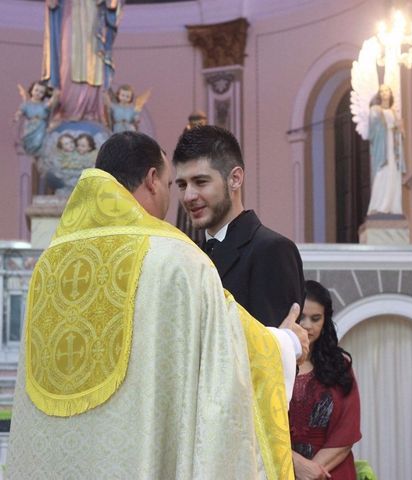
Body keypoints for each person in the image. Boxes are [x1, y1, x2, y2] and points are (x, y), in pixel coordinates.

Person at [7, 131, 300, 479]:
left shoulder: (49, 265)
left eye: (200, 182)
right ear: (151, 181)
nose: (186, 196)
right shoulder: (173, 258)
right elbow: (225, 353)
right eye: (174, 183)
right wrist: (286, 343)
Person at [173, 125, 305, 328]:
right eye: (182, 185)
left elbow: (274, 351)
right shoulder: (192, 256)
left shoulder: (272, 250)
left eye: (200, 182)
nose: (188, 196)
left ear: (235, 179)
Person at [289, 280, 361, 480]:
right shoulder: (272, 362)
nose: (307, 325)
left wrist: (312, 471)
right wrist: (296, 467)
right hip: (281, 469)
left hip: (332, 472)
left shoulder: (340, 366)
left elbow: (347, 430)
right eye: (301, 317)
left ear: (325, 321)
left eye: (315, 318)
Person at [43, 0, 122, 122]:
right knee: (67, 62)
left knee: (94, 60)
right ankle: (68, 110)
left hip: (94, 15)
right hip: (70, 12)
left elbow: (112, 4)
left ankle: (92, 110)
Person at [366, 84, 405, 216]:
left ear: (390, 93)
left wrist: (400, 129)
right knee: (382, 175)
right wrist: (392, 126)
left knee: (393, 175)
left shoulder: (394, 112)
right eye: (382, 91)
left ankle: (393, 206)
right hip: (383, 150)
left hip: (394, 150)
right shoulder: (375, 110)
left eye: (387, 90)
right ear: (379, 95)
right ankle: (379, 205)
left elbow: (401, 132)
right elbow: (373, 131)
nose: (384, 93)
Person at [14, 80, 59, 157]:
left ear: (44, 94)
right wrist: (17, 115)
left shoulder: (44, 105)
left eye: (41, 92)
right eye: (36, 90)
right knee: (27, 141)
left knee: (38, 141)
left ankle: (37, 154)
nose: (38, 93)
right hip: (29, 127)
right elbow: (21, 111)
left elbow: (51, 102)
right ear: (32, 90)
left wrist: (55, 94)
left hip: (40, 128)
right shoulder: (27, 104)